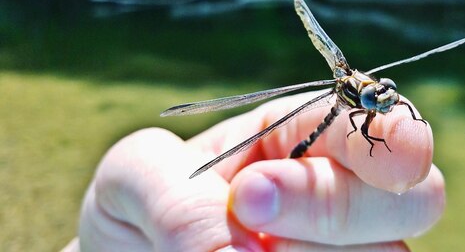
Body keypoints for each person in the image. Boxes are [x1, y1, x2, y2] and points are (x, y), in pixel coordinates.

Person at [63, 91, 445, 251]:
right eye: (374, 99)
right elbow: (363, 129)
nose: (383, 100)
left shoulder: (373, 97)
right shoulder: (352, 109)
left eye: (384, 95)